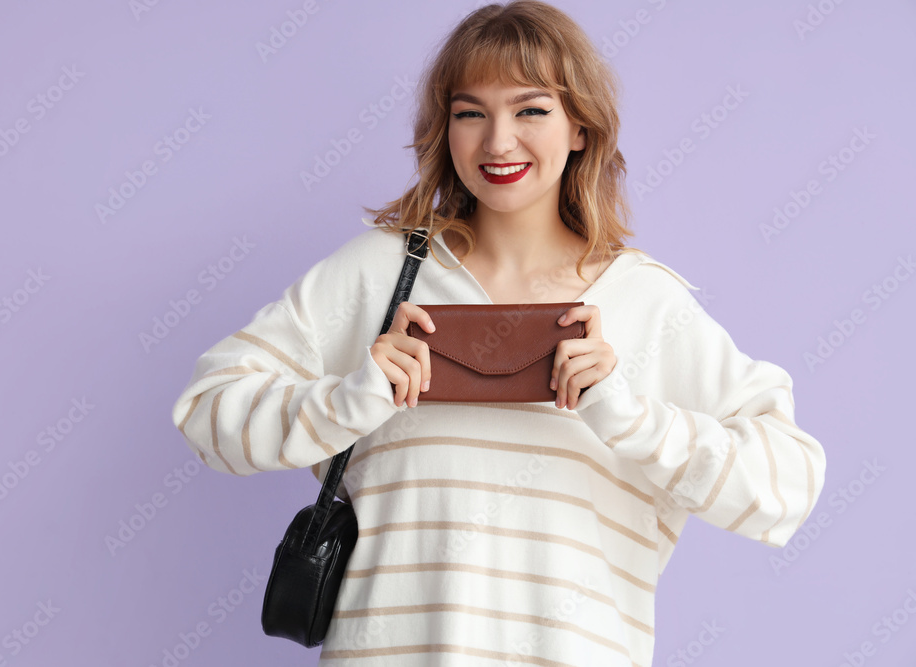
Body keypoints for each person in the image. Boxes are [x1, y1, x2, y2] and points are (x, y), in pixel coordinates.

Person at [171, 2, 827, 665]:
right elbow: (207, 411)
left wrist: (631, 417)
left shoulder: (646, 302)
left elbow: (787, 485)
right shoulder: (378, 273)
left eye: (531, 110)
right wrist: (350, 398)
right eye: (470, 112)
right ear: (444, 128)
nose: (498, 142)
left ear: (580, 127)